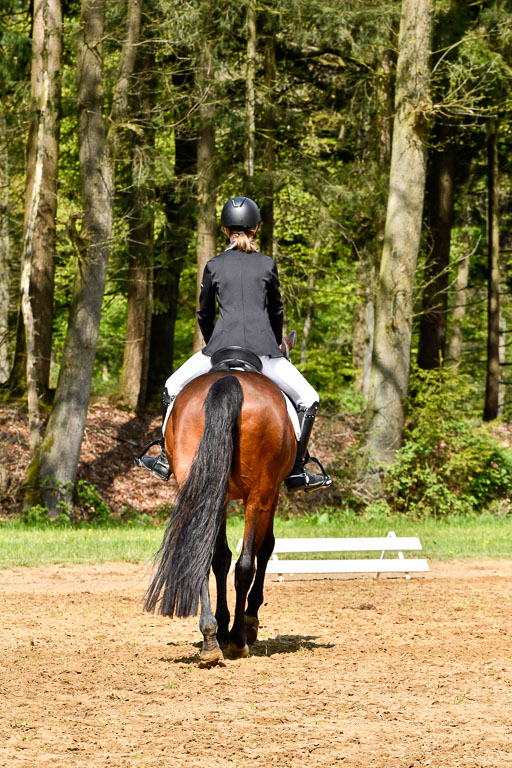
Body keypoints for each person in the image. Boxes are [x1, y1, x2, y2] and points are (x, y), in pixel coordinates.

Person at [135, 196, 331, 492]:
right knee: (309, 398)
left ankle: (163, 457)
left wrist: (214, 342)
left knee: (172, 387)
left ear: (225, 230)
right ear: (256, 228)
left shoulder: (214, 265)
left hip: (219, 349)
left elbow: (204, 312)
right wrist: (276, 343)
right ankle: (297, 469)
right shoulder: (267, 264)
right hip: (263, 353)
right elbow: (276, 310)